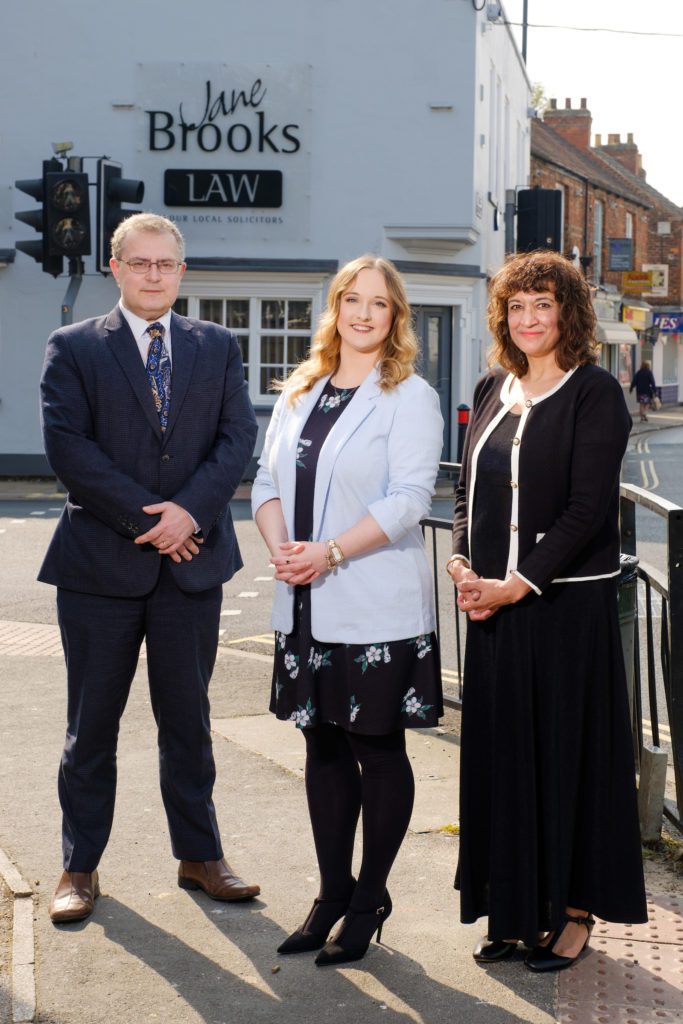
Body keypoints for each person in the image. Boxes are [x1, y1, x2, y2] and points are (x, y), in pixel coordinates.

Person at [40, 213, 260, 923]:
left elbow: (236, 441)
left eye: (165, 264)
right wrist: (151, 521)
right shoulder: (73, 347)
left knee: (188, 723)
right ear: (116, 268)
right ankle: (79, 867)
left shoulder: (218, 346)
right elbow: (70, 450)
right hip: (98, 571)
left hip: (191, 568)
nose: (153, 275)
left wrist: (188, 514)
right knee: (90, 727)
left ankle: (200, 856)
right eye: (140, 263)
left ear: (182, 271)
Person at [448, 250, 647, 972]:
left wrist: (516, 582)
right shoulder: (491, 386)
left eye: (542, 305)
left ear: (566, 312)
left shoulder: (594, 393)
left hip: (563, 611)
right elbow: (467, 489)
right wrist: (463, 563)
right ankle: (511, 910)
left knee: (565, 759)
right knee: (503, 759)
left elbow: (585, 509)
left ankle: (571, 913)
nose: (528, 319)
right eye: (516, 307)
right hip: (494, 611)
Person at [252, 255, 444, 966]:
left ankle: (369, 898)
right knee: (320, 747)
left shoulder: (409, 395)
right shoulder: (301, 390)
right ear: (333, 309)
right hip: (302, 600)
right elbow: (266, 479)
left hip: (371, 607)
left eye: (379, 304)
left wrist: (327, 552)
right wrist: (284, 552)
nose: (363, 314)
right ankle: (330, 893)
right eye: (351, 300)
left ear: (396, 318)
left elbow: (408, 500)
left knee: (376, 749)